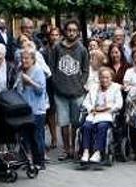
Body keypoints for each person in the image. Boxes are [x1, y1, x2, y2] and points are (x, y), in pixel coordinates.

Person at [48, 21, 89, 162]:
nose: (71, 32)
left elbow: (85, 70)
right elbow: (51, 67)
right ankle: (66, 149)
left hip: (77, 92)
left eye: (74, 30)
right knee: (64, 123)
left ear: (77, 32)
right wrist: (56, 82)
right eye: (69, 30)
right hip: (60, 92)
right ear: (65, 31)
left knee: (75, 123)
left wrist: (80, 84)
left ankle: (75, 148)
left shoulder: (82, 49)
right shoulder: (57, 48)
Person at [78, 67, 122, 167]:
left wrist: (108, 108)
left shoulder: (115, 88)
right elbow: (86, 102)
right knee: (86, 126)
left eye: (107, 77)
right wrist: (91, 109)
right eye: (102, 77)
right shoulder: (94, 88)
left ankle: (97, 152)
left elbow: (119, 104)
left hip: (106, 114)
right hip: (93, 114)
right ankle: (86, 152)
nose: (104, 80)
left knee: (102, 126)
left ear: (111, 78)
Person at [16, 50, 48, 171]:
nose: (24, 61)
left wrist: (29, 81)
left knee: (36, 136)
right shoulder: (20, 71)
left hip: (37, 110)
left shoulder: (38, 71)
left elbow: (41, 91)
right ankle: (28, 161)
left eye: (27, 58)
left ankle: (40, 161)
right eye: (22, 58)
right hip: (24, 110)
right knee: (26, 136)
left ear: (33, 59)